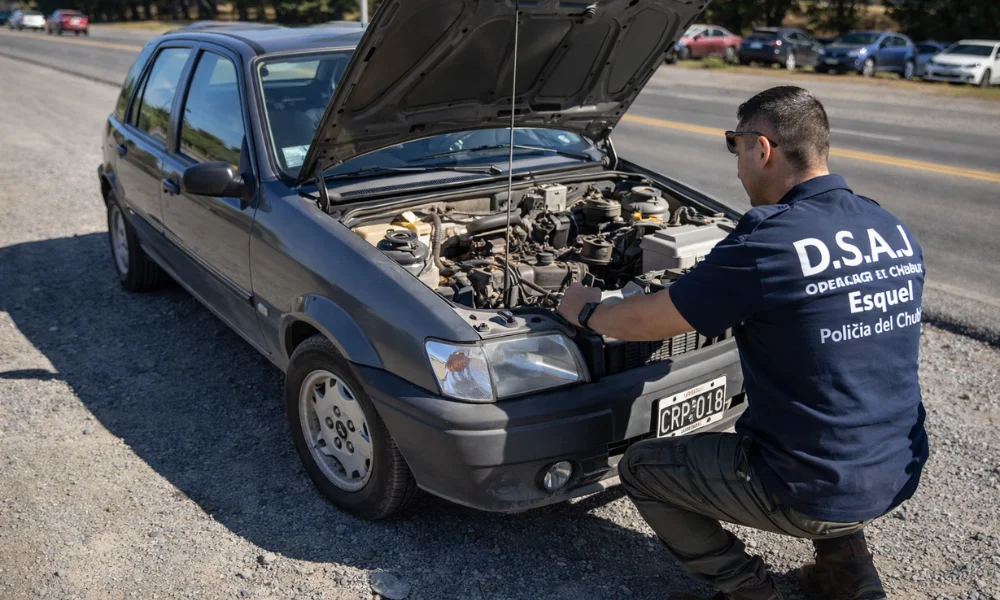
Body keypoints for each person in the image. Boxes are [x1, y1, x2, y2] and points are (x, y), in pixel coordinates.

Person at [557, 86, 928, 600]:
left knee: (641, 470)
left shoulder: (768, 242)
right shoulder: (887, 225)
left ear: (762, 148)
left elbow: (652, 321)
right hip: (897, 470)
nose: (736, 164)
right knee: (841, 420)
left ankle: (748, 591)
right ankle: (847, 572)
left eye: (735, 145)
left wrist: (589, 310)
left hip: (812, 489)